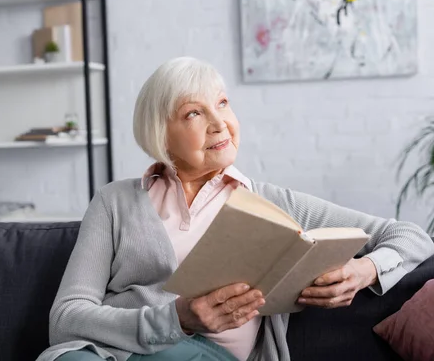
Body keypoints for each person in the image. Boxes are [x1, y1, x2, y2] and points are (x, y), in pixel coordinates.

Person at [36, 57, 434, 361]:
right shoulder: (114, 202)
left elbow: (411, 236)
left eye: (223, 103)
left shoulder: (273, 203)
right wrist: (174, 319)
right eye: (194, 112)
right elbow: (67, 318)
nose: (219, 122)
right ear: (162, 134)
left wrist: (365, 270)